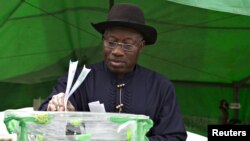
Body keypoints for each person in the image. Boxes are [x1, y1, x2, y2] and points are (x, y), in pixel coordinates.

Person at [39, 3, 187, 141]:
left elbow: (174, 136)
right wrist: (62, 112)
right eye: (111, 42)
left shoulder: (160, 87)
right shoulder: (78, 79)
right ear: (103, 40)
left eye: (127, 45)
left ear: (141, 46)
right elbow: (44, 120)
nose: (117, 51)